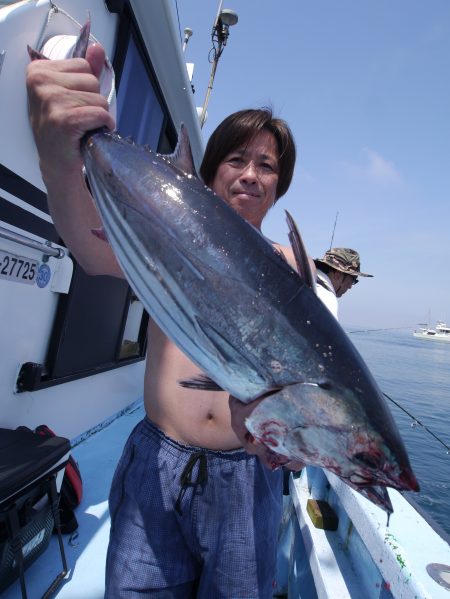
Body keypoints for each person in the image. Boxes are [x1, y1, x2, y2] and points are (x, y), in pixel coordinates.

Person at [26, 43, 304, 598]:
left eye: (267, 165)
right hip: (160, 460)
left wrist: (287, 436)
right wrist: (59, 156)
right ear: (209, 172)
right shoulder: (166, 233)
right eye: (235, 159)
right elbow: (88, 246)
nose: (250, 174)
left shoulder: (292, 265)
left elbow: (299, 386)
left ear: (280, 184)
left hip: (245, 481)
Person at [314, 247, 373, 319]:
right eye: (353, 280)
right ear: (337, 275)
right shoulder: (327, 299)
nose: (350, 287)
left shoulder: (304, 279)